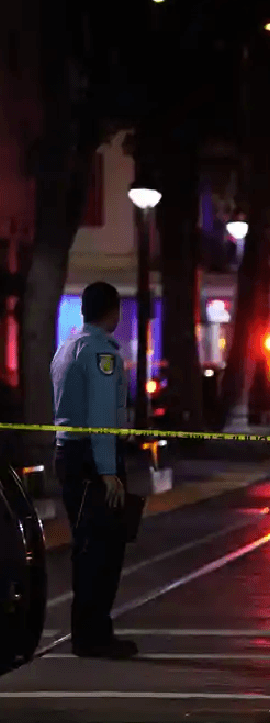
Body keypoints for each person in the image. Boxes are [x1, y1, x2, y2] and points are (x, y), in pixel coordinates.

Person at [51, 281, 137, 659]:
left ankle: (87, 631)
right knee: (103, 548)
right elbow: (102, 414)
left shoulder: (67, 346)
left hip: (68, 452)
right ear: (112, 311)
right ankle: (94, 634)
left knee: (85, 546)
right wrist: (108, 471)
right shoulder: (101, 351)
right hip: (92, 456)